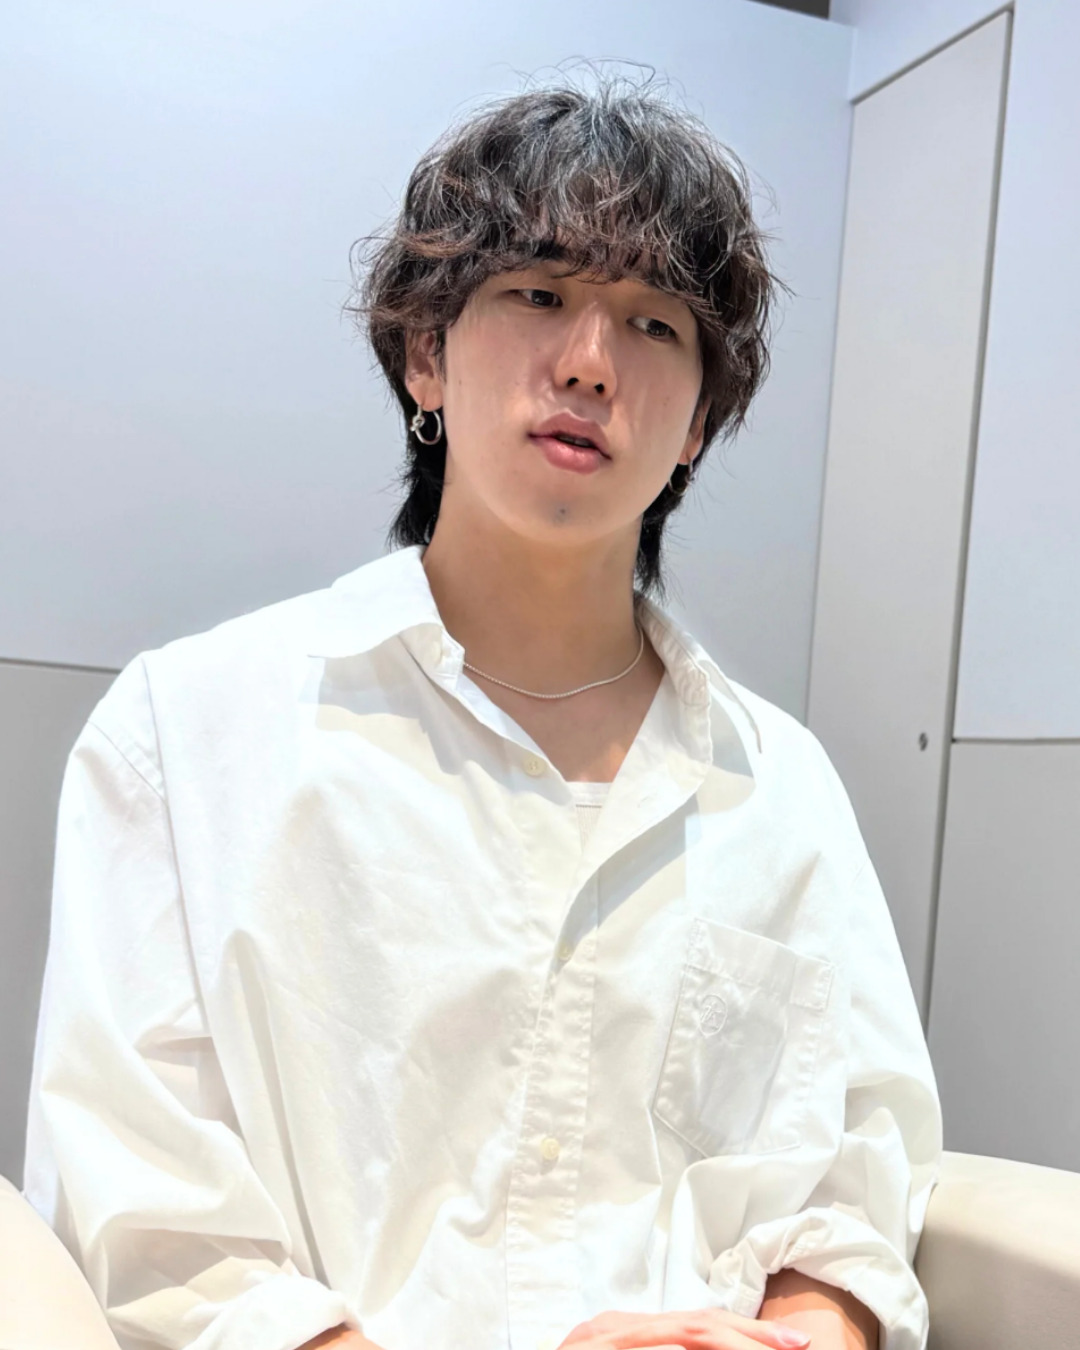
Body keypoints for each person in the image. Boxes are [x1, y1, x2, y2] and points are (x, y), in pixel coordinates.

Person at [22, 67, 942, 1350]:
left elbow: (859, 1173)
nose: (590, 364)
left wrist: (804, 1334)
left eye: (654, 324)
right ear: (426, 354)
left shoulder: (779, 786)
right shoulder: (187, 736)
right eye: (540, 295)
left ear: (696, 427)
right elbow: (148, 1220)